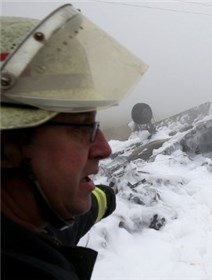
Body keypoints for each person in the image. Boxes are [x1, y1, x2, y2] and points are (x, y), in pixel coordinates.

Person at [1, 4, 148, 279]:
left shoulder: (28, 224)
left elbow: (76, 220)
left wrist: (106, 198)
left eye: (95, 126)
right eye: (80, 128)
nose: (104, 149)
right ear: (5, 149)